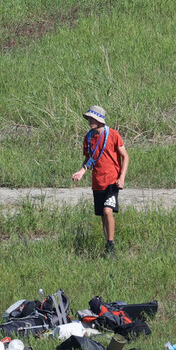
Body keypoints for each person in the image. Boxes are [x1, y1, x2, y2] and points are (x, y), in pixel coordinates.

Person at [72, 105, 130, 255]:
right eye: (89, 118)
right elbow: (89, 159)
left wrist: (121, 178)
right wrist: (81, 171)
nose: (90, 121)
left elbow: (126, 157)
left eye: (93, 118)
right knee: (103, 216)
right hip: (97, 183)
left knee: (107, 210)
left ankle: (111, 244)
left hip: (112, 181)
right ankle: (108, 246)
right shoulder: (89, 137)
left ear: (100, 120)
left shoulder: (113, 135)